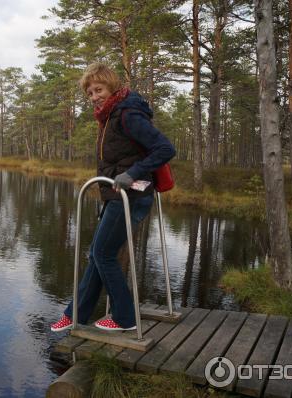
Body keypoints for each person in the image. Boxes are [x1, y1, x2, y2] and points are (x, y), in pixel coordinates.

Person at [50, 63, 176, 332]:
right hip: (117, 197)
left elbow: (165, 148)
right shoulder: (109, 116)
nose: (94, 96)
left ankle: (125, 318)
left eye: (99, 89)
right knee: (97, 254)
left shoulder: (127, 114)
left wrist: (133, 173)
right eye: (90, 93)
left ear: (111, 86)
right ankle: (76, 314)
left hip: (131, 195)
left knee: (102, 254)